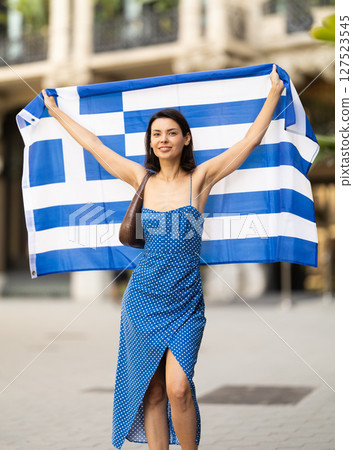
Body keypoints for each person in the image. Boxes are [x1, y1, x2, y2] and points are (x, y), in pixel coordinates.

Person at [42, 64, 284, 450]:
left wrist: (274, 93)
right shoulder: (141, 180)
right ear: (150, 143)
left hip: (186, 302)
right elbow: (95, 146)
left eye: (172, 132)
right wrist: (56, 112)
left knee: (178, 388)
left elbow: (248, 143)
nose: (164, 139)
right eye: (157, 134)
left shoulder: (200, 179)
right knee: (151, 393)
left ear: (186, 139)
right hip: (142, 300)